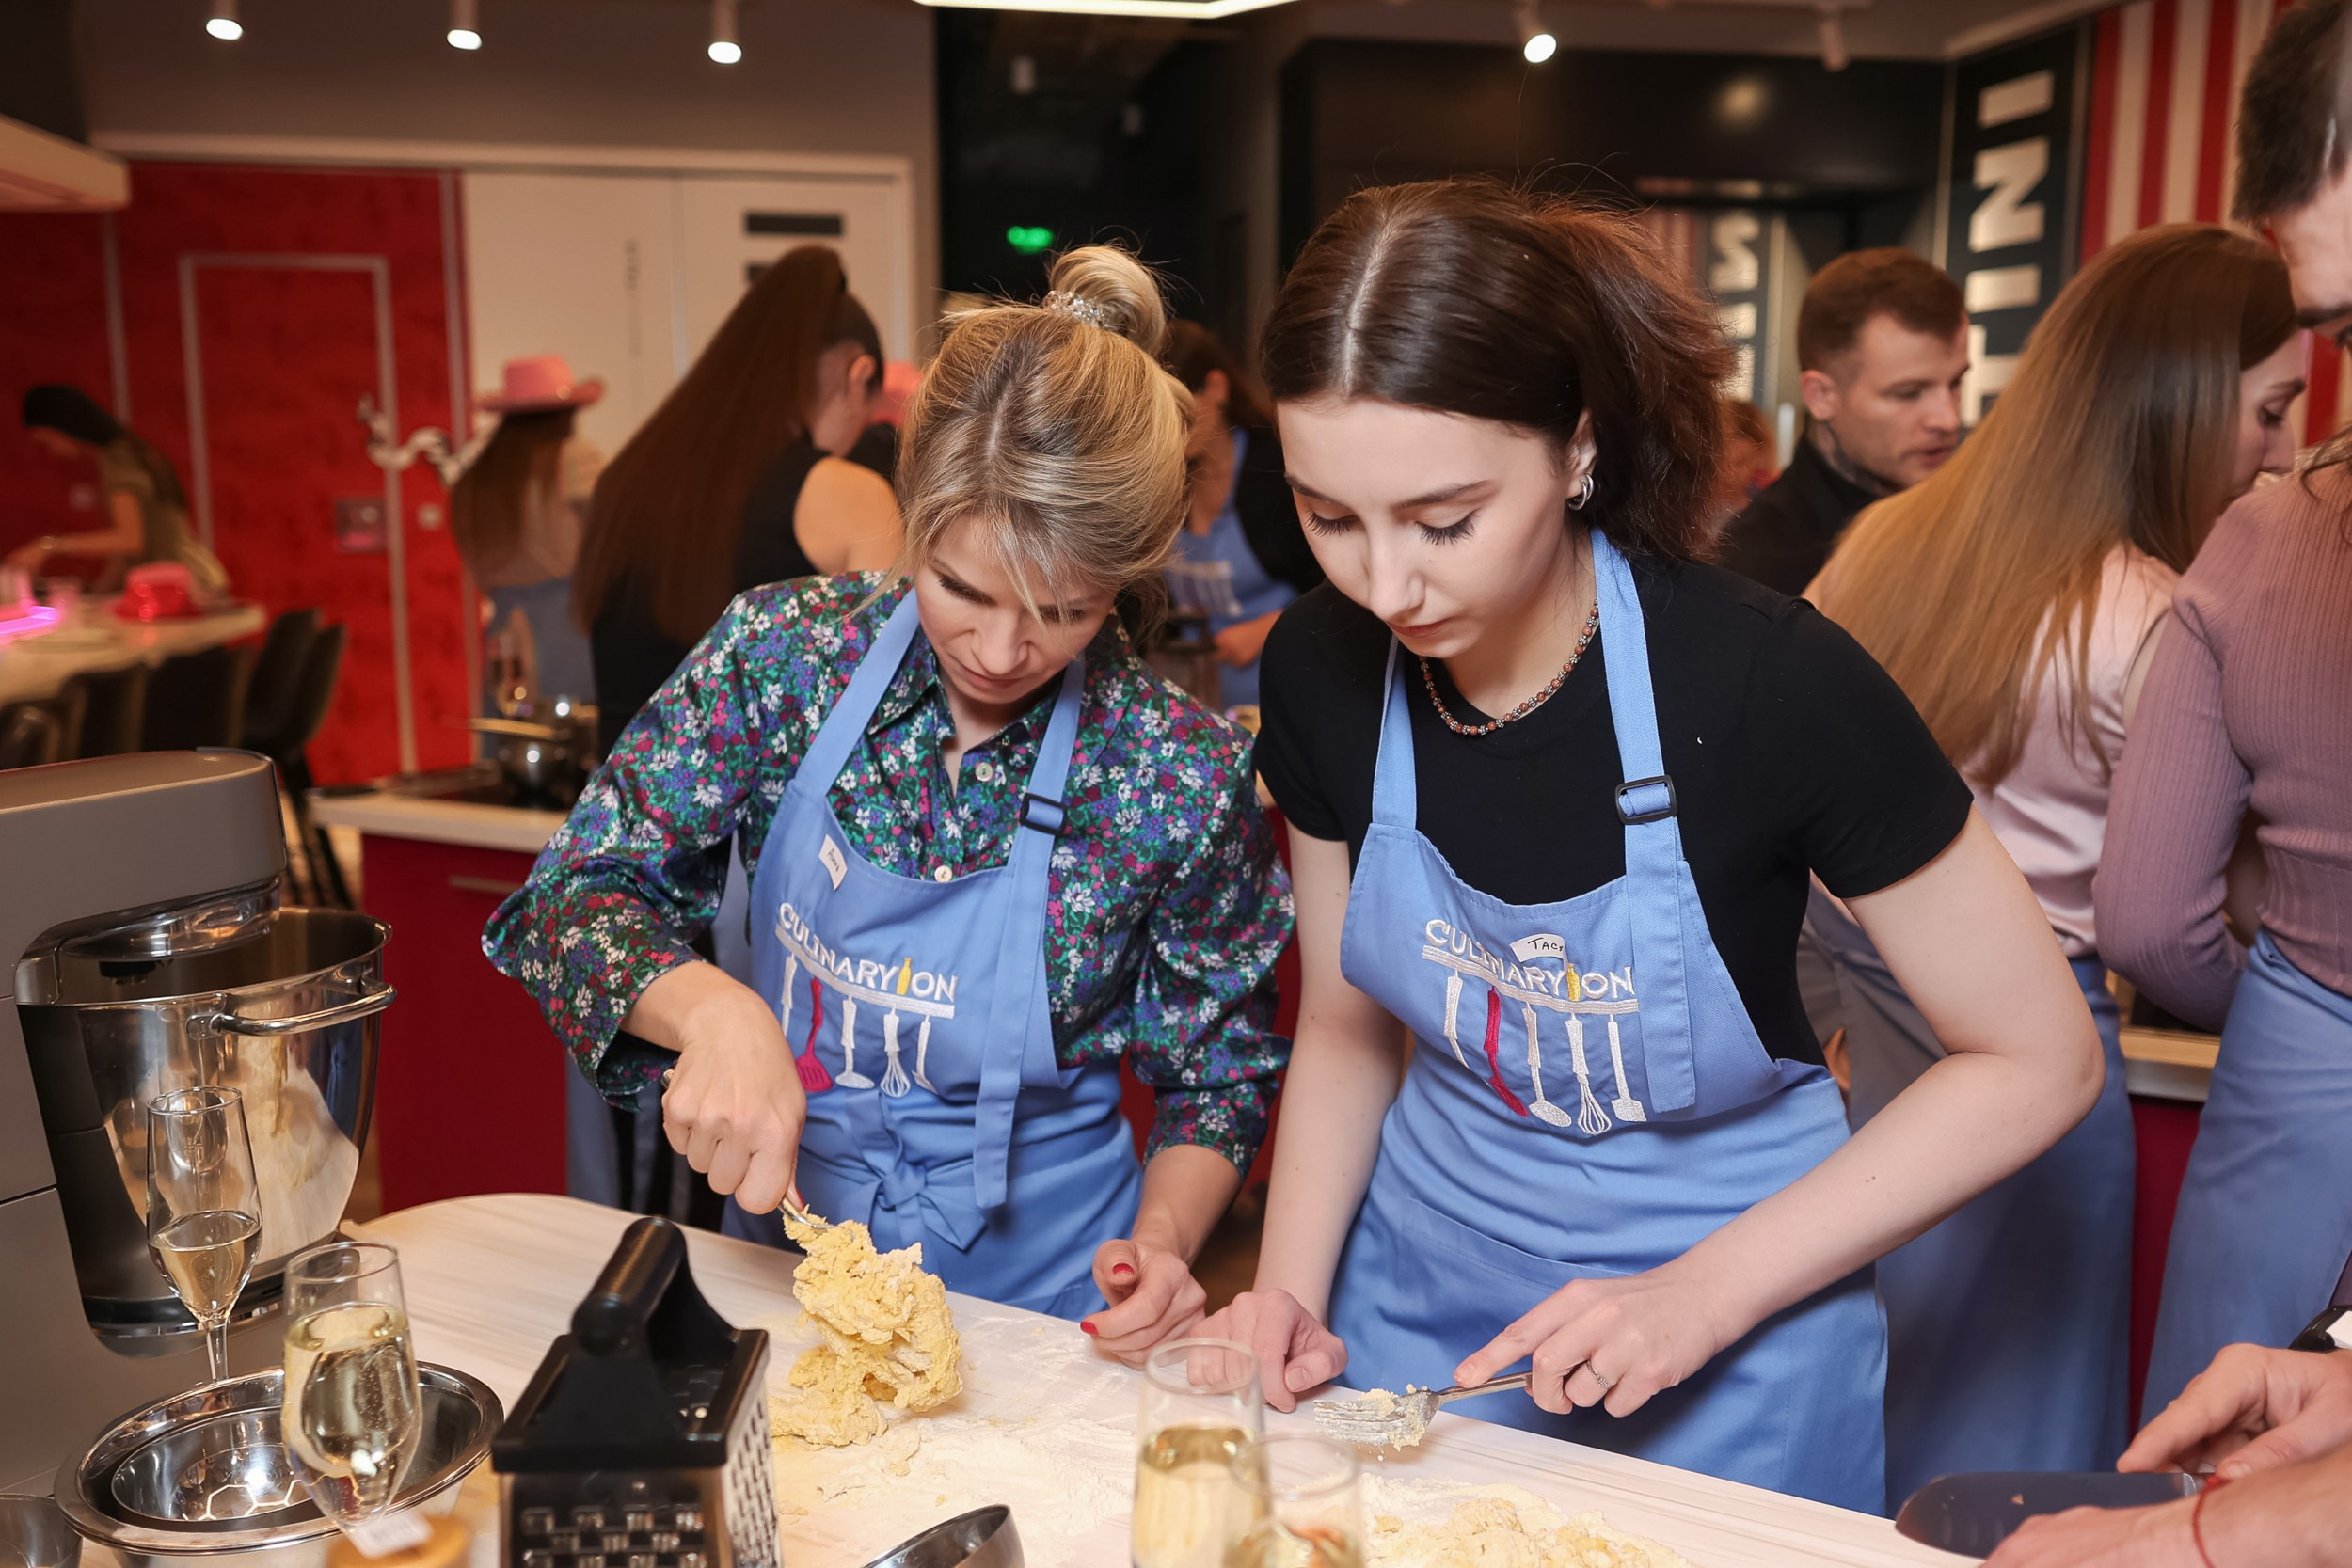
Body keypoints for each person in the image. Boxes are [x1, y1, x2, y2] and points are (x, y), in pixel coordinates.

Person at [1170, 180, 2103, 1513]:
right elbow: (1347, 1022)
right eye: (1331, 517)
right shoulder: (1326, 663)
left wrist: (1700, 1294)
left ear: (1578, 448)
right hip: (1423, 1303)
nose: (1387, 585)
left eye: (1443, 520)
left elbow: (2040, 1055)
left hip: (1736, 1324)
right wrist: (1285, 1292)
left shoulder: (1765, 680)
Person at [485, 247, 1292, 1323]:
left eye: (1065, 610)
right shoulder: (784, 656)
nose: (1001, 650)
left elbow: (1218, 1073)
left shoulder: (1173, 770)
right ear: (910, 506)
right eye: (960, 585)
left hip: (1052, 1311)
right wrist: (714, 1010)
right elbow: (571, 895)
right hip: (785, 1278)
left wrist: (1159, 1245)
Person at [1801, 223, 2303, 1509]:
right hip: (2038, 1061)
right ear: (2184, 404)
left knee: (1875, 1426)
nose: (2286, 447)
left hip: (1861, 1041)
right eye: (2271, 407)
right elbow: (2174, 921)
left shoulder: (1889, 541)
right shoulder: (2150, 612)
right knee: (2013, 1477)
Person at [1987, 4, 2352, 1557]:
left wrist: (2273, 964)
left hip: (2292, 1079)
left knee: (2199, 1449)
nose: (2287, 443)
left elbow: (2146, 911)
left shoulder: (2258, 553)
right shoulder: (2191, 569)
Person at [573, 245, 902, 756]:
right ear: (856, 376)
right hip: (760, 832)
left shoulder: (626, 481)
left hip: (625, 821)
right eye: (864, 419)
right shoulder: (849, 495)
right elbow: (886, 704)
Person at [1716, 250, 1966, 596]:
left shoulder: (1974, 526)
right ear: (1821, 396)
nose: (1947, 419)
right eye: (1908, 393)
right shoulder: (1753, 575)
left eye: (1956, 383)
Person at [1159, 321, 1324, 709]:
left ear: (1215, 388)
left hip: (1285, 690)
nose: (1167, 431)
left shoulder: (1280, 469)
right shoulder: (1158, 482)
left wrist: (1268, 629)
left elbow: (1340, 586)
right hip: (1194, 699)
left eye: (1178, 413)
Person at [449, 356, 606, 705]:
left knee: (514, 739)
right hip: (570, 630)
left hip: (503, 632)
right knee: (576, 741)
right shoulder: (573, 459)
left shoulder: (476, 482)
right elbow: (614, 538)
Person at [12, 385, 229, 594]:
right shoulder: (127, 451)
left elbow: (129, 539)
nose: (52, 451)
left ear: (63, 427)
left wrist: (48, 546)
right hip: (188, 579)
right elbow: (127, 552)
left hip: (184, 584)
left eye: (48, 440)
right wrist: (96, 594)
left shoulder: (118, 459)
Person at [1710, 397, 1775, 522]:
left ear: (1759, 458)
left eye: (1740, 463)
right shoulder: (1691, 508)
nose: (1728, 474)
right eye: (1719, 463)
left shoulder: (1763, 508)